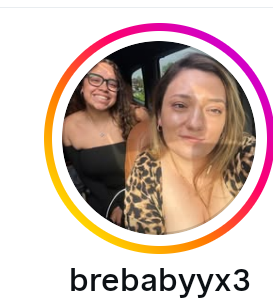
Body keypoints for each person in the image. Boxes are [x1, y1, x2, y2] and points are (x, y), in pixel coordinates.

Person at [111, 55, 254, 234]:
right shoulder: (145, 171)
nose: (196, 123)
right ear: (159, 115)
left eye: (214, 110)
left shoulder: (246, 154)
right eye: (180, 105)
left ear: (226, 120)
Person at [62, 59, 149, 218]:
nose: (103, 88)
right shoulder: (68, 127)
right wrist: (112, 207)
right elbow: (88, 181)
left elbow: (157, 166)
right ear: (82, 85)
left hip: (144, 197)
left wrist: (126, 202)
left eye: (112, 84)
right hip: (102, 206)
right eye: (95, 80)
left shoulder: (137, 117)